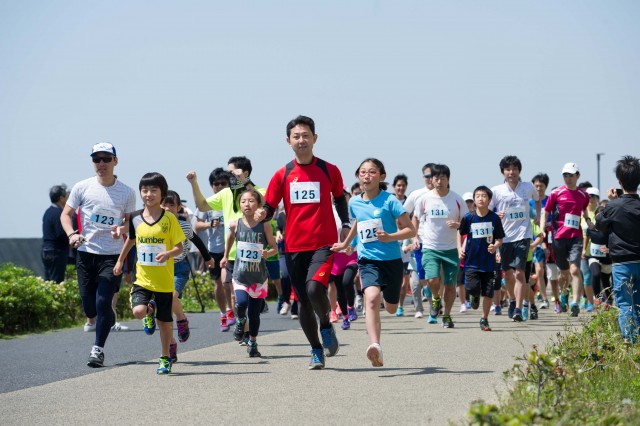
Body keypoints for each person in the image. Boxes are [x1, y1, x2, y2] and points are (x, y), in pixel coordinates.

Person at [261, 115, 350, 370]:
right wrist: (261, 215)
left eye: (306, 136)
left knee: (314, 289)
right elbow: (269, 206)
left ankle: (326, 325)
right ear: (288, 141)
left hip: (323, 243)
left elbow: (339, 198)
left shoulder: (329, 170)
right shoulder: (282, 174)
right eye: (296, 136)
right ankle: (316, 350)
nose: (301, 140)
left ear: (315, 138)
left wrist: (345, 223)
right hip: (294, 247)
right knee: (303, 302)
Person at [332, 158, 415, 366]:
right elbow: (358, 223)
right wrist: (347, 244)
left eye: (372, 172)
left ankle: (390, 300)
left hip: (392, 260)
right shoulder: (354, 202)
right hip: (367, 259)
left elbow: (410, 230)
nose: (366, 176)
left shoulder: (390, 201)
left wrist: (390, 237)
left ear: (382, 176)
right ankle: (375, 345)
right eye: (362, 172)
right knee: (371, 298)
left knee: (391, 308)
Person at [61, 143, 136, 367]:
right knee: (90, 307)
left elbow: (130, 222)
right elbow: (66, 215)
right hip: (85, 253)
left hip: (112, 255)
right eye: (96, 159)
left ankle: (97, 350)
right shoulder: (82, 187)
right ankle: (105, 315)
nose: (101, 163)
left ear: (115, 161)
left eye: (106, 159)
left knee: (103, 302)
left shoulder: (127, 192)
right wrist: (71, 234)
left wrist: (121, 229)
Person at [113, 173, 185, 374]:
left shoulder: (169, 219)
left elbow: (179, 247)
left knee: (165, 323)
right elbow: (131, 240)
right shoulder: (136, 218)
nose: (148, 194)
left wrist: (168, 254)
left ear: (162, 193)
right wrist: (120, 260)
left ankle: (165, 357)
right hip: (143, 279)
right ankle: (148, 312)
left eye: (154, 190)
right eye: (145, 190)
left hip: (164, 282)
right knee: (138, 311)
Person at [187, 157, 265, 332]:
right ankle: (244, 331)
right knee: (235, 294)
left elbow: (265, 202)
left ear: (245, 173)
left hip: (254, 254)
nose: (229, 175)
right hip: (231, 254)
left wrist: (245, 182)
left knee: (253, 300)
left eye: (232, 172)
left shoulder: (258, 191)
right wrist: (194, 183)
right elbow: (202, 205)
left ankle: (252, 318)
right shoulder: (226, 193)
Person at [221, 189, 278, 357]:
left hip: (259, 278)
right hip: (240, 275)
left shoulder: (264, 225)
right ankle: (240, 320)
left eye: (251, 201)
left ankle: (252, 342)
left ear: (259, 205)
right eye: (243, 201)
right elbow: (230, 238)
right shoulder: (235, 224)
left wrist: (268, 253)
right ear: (239, 205)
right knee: (241, 303)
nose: (247, 204)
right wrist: (225, 256)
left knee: (254, 314)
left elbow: (274, 247)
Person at [161, 190, 214, 363]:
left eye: (171, 205)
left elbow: (196, 240)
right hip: (160, 270)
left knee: (171, 298)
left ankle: (181, 320)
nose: (167, 208)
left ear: (178, 208)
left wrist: (208, 258)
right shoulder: (155, 224)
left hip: (179, 268)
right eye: (164, 204)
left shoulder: (183, 225)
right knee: (163, 310)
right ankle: (171, 343)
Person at [412, 163, 465, 328]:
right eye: (436, 178)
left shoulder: (457, 199)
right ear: (431, 180)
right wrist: (415, 237)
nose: (439, 181)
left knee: (450, 285)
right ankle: (435, 298)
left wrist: (458, 225)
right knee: (432, 279)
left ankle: (447, 315)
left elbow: (466, 222)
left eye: (443, 178)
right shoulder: (424, 199)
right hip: (430, 247)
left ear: (448, 179)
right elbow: (415, 218)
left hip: (451, 249)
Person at [489, 155, 540, 322]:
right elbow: (487, 211)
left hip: (523, 235)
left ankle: (518, 309)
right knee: (508, 275)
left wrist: (538, 216)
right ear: (503, 172)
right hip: (504, 237)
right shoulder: (496, 191)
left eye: (515, 169)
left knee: (519, 273)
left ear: (519, 171)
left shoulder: (528, 187)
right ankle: (511, 300)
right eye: (508, 169)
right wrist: (496, 214)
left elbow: (537, 200)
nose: (511, 172)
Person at [596, 155, 640, 343]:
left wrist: (611, 201)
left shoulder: (613, 206)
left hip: (622, 263)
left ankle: (631, 342)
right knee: (638, 305)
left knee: (625, 305)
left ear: (619, 181)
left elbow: (599, 224)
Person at [540, 163, 590, 317]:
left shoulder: (583, 195)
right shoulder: (556, 193)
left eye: (571, 175)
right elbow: (546, 212)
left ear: (578, 176)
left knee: (575, 270)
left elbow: (584, 209)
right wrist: (542, 229)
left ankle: (575, 302)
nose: (568, 178)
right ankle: (564, 294)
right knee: (563, 273)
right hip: (559, 237)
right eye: (565, 175)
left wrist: (588, 220)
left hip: (576, 237)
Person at [457, 186, 505, 331]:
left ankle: (484, 319)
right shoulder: (469, 217)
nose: (480, 199)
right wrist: (460, 249)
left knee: (489, 292)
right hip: (471, 261)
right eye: (477, 196)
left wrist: (495, 246)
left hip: (488, 262)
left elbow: (500, 238)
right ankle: (474, 296)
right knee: (472, 287)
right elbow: (460, 233)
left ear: (489, 200)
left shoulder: (494, 218)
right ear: (474, 199)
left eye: (484, 196)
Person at [193, 168, 231, 330]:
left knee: (229, 282)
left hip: (232, 249)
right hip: (214, 250)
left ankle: (232, 311)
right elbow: (196, 225)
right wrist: (210, 224)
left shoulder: (233, 200)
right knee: (219, 284)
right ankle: (223, 314)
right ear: (212, 186)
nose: (220, 186)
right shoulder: (208, 203)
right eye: (216, 184)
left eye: (223, 183)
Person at [42, 184, 70, 283]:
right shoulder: (59, 213)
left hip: (46, 250)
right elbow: (61, 234)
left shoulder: (48, 211)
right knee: (57, 282)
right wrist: (72, 239)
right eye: (66, 196)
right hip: (56, 252)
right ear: (61, 198)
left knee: (48, 281)